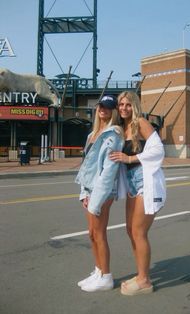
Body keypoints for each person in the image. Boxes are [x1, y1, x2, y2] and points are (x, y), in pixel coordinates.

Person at [110, 91, 166, 296]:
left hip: (145, 180)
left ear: (135, 106)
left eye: (128, 105)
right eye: (121, 104)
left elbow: (158, 150)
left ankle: (144, 281)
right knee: (130, 230)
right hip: (132, 182)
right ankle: (141, 273)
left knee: (139, 232)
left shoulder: (141, 122)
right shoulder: (123, 127)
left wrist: (129, 159)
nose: (124, 108)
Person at [75, 95, 124, 292]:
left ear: (113, 111)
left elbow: (108, 173)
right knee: (91, 234)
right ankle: (98, 270)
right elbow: (86, 167)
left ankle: (106, 277)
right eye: (100, 106)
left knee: (99, 233)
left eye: (108, 107)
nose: (103, 109)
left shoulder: (114, 135)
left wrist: (95, 200)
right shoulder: (93, 134)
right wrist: (84, 193)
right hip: (89, 189)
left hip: (102, 192)